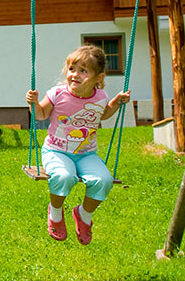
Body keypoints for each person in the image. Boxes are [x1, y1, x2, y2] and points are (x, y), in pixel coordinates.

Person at [25, 44, 131, 245]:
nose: (75, 75)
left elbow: (103, 114)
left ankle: (83, 214)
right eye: (72, 69)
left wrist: (115, 103)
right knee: (64, 177)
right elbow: (40, 115)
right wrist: (34, 103)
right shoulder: (58, 93)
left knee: (104, 181)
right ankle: (55, 212)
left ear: (98, 78)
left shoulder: (101, 97)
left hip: (86, 154)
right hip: (56, 151)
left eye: (83, 71)